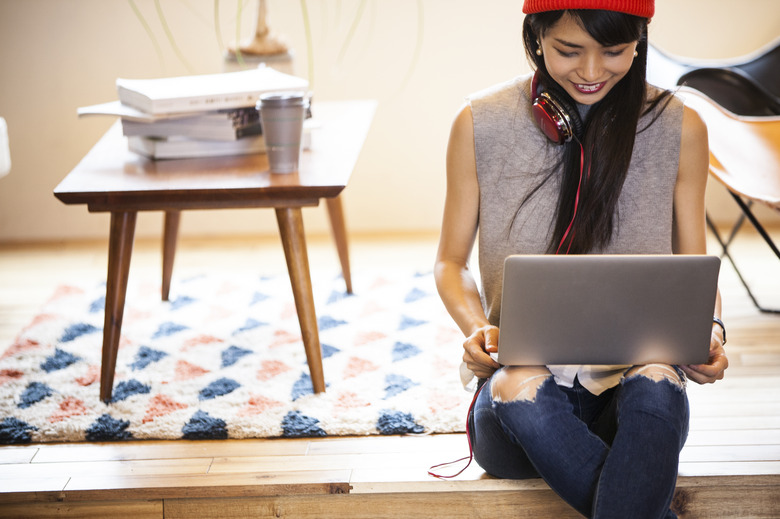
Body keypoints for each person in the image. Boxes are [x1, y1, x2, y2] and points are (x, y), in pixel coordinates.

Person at [433, 1, 729, 517]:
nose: (592, 72)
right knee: (514, 378)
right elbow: (450, 263)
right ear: (537, 36)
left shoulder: (682, 128)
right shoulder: (479, 123)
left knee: (657, 377)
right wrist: (477, 328)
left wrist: (712, 329)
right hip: (518, 409)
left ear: (639, 40)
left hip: (631, 400)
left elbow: (693, 267)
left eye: (614, 51)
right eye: (570, 51)